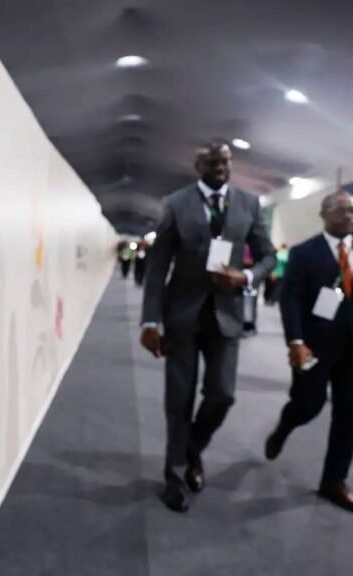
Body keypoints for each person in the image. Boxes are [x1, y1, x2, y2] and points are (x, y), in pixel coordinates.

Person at [140, 141, 276, 513]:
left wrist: (246, 276)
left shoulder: (248, 204)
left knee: (223, 395)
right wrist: (151, 320)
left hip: (226, 316)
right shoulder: (176, 203)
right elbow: (157, 268)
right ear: (198, 165)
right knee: (179, 400)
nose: (220, 167)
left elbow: (268, 256)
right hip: (182, 316)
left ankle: (192, 449)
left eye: (226, 161)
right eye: (213, 161)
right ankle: (174, 477)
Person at [264, 190, 353, 512]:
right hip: (315, 345)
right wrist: (296, 342)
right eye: (342, 210)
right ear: (324, 214)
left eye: (352, 211)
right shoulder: (305, 253)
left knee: (349, 411)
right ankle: (285, 426)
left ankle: (334, 481)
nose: (349, 216)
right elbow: (291, 300)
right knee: (309, 404)